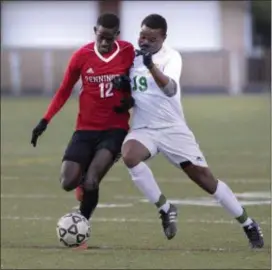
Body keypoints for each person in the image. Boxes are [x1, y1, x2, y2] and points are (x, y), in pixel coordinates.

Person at [115, 14, 264, 248]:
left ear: (163, 37)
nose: (144, 41)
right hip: (144, 127)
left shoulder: (171, 57)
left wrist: (151, 66)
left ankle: (248, 223)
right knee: (130, 156)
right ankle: (165, 208)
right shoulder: (132, 58)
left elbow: (170, 89)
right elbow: (135, 92)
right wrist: (124, 91)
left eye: (151, 38)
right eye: (142, 36)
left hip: (173, 129)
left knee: (206, 180)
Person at [31, 13, 135, 226]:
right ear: (95, 32)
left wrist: (130, 98)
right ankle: (83, 178)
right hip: (86, 129)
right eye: (101, 37)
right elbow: (64, 90)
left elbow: (140, 83)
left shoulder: (128, 52)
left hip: (115, 129)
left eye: (110, 38)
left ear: (118, 35)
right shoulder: (81, 56)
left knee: (91, 181)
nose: (105, 42)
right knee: (67, 182)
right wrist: (45, 120)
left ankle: (82, 225)